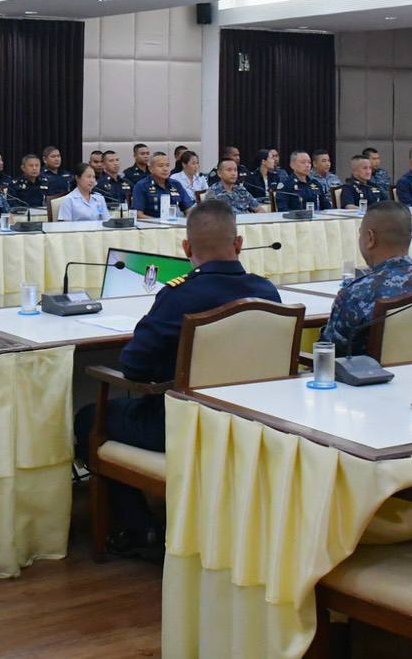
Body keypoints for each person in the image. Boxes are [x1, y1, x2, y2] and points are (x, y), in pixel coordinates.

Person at [73, 200, 279, 554]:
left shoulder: (179, 295)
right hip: (251, 424)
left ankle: (139, 530)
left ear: (186, 249)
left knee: (89, 417)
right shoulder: (266, 292)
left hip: (182, 426)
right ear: (239, 244)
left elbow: (134, 367)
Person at [322, 201, 412, 355]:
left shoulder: (356, 294)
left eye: (360, 234)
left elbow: (329, 353)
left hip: (375, 371)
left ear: (370, 238)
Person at [133, 152, 193, 220]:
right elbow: (138, 215)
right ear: (150, 169)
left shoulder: (176, 184)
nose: (165, 169)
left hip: (174, 223)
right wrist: (158, 222)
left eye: (167, 165)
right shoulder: (141, 186)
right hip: (151, 224)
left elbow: (188, 209)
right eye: (161, 166)